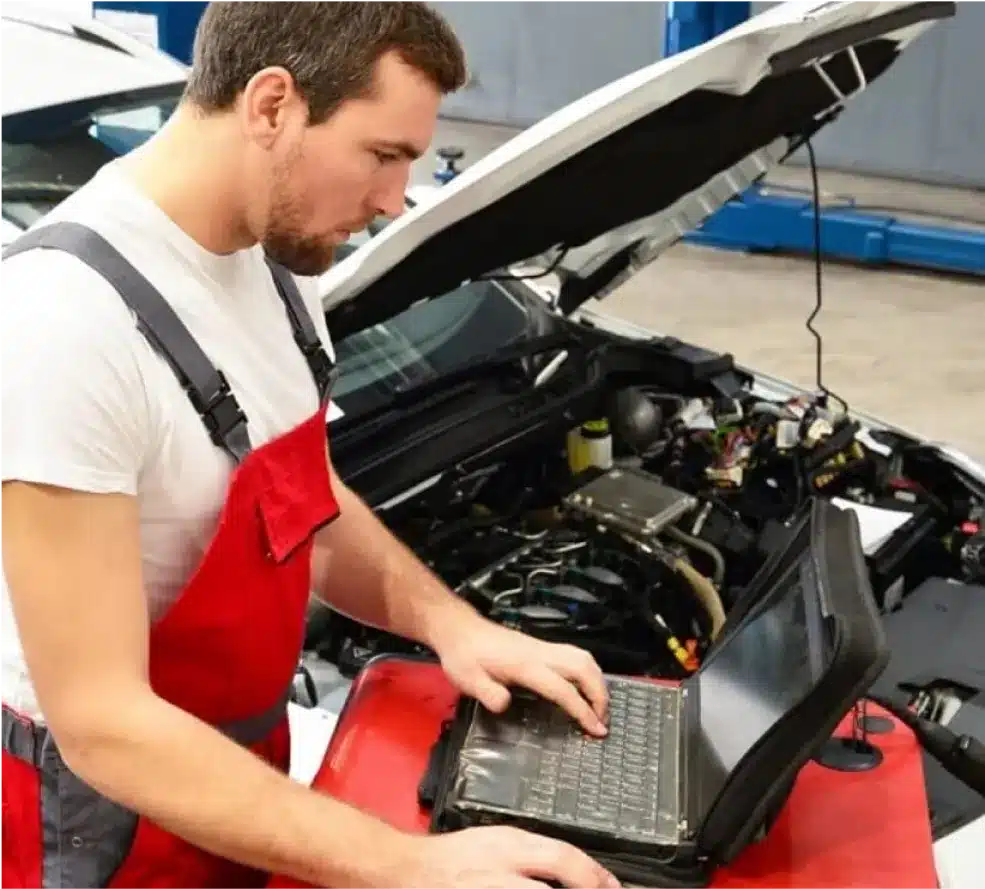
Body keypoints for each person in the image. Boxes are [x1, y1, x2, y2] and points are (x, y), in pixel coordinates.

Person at [0, 2, 618, 889]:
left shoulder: (272, 260)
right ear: (271, 104)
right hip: (100, 823)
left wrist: (456, 627)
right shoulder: (67, 324)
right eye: (383, 154)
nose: (393, 201)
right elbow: (102, 722)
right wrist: (410, 865)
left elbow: (304, 505)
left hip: (237, 769)